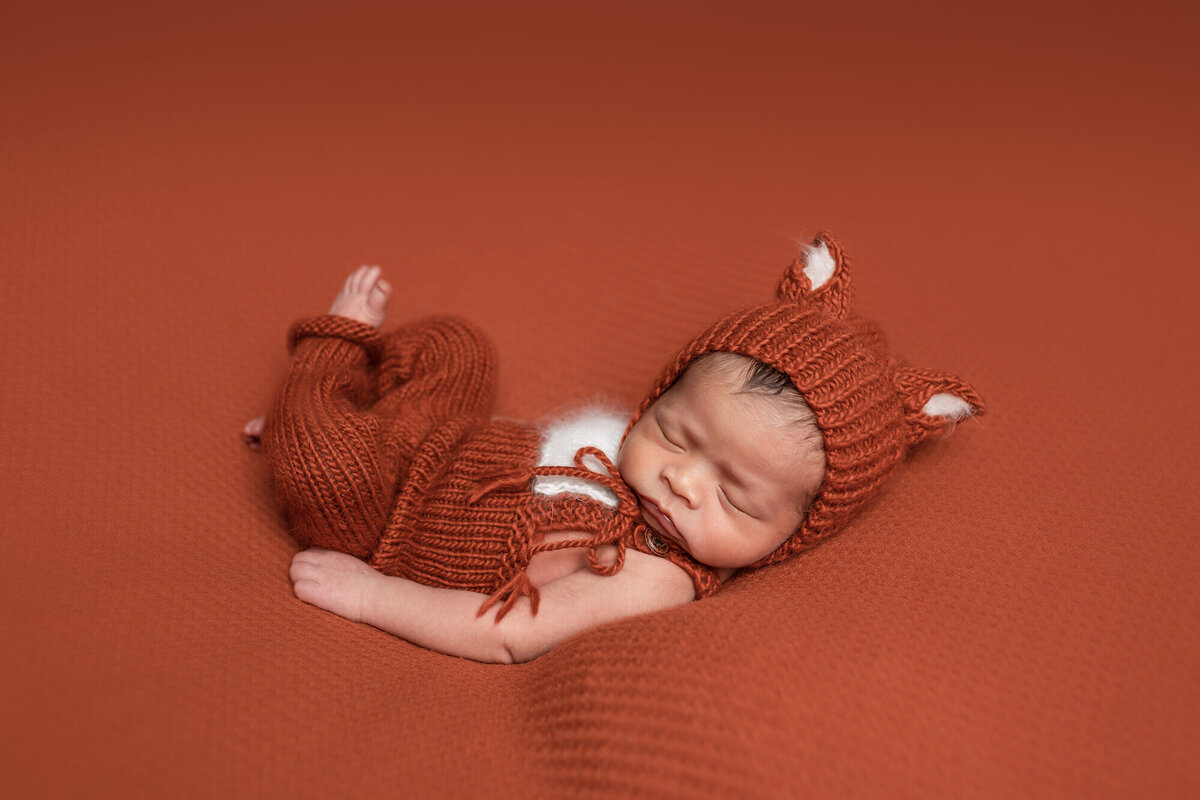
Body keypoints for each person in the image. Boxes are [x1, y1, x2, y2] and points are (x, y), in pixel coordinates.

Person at [242, 233, 985, 663]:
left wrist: (373, 596)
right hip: (439, 443)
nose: (681, 482)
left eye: (734, 496)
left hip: (385, 521)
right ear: (659, 394)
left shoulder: (654, 572)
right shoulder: (632, 445)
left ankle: (325, 366)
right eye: (675, 433)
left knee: (327, 466)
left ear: (795, 535)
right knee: (460, 347)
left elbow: (510, 636)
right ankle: (328, 415)